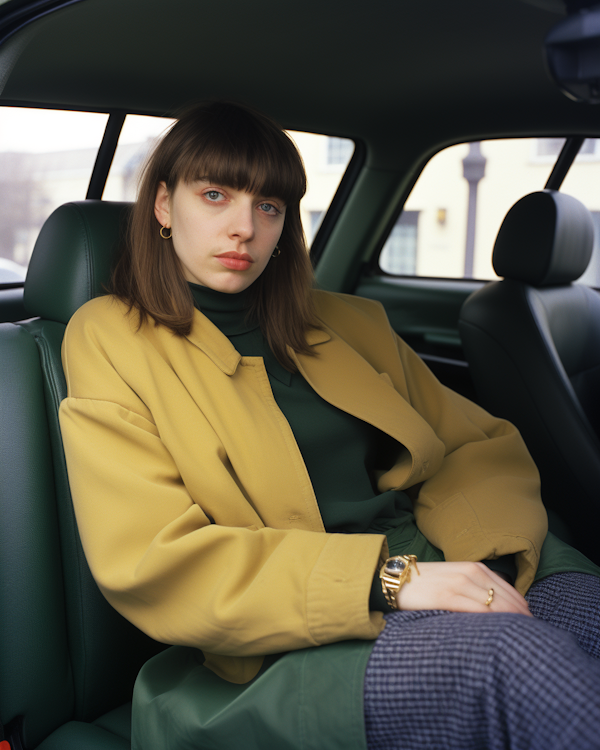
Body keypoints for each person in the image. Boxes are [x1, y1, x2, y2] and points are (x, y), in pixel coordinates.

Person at [59, 101, 600, 750]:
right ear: (165, 207)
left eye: (269, 207)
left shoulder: (350, 322)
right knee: (519, 665)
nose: (245, 229)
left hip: (457, 551)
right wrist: (391, 579)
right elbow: (153, 558)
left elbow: (474, 445)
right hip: (281, 635)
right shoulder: (110, 336)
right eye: (214, 195)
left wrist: (483, 556)